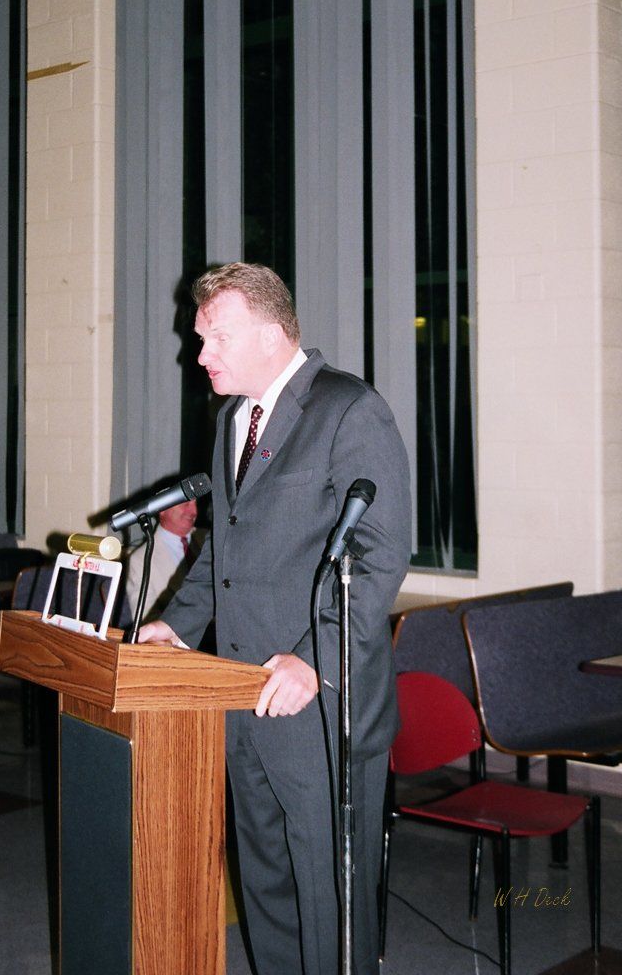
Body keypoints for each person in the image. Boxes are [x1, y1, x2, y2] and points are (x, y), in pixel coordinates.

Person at [138, 262, 411, 975]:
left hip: (319, 703)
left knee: (328, 898)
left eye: (215, 337)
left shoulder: (349, 410)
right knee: (265, 885)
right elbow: (223, 548)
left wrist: (314, 658)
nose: (200, 354)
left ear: (268, 334)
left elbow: (381, 556)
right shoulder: (233, 418)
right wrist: (177, 624)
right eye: (200, 338)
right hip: (241, 692)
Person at [122, 498, 206, 623]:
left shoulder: (210, 539)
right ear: (163, 509)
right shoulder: (141, 561)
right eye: (186, 504)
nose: (194, 511)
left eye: (195, 504)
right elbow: (146, 619)